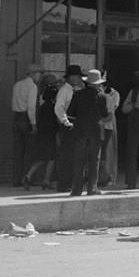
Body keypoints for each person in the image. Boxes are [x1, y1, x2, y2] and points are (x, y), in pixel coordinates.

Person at [66, 69, 109, 196]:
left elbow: (70, 113)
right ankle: (92, 188)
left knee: (79, 160)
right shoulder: (101, 96)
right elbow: (104, 114)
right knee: (94, 160)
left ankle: (76, 189)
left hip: (80, 131)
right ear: (97, 84)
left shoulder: (77, 94)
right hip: (95, 132)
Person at [23, 74, 60, 190]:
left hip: (41, 135)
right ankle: (46, 180)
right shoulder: (54, 108)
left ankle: (28, 175)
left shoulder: (43, 107)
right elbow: (56, 123)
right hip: (50, 135)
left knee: (41, 158)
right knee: (51, 158)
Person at [119, 66, 139, 189]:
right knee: (132, 150)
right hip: (135, 120)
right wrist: (134, 105)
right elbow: (124, 109)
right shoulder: (133, 92)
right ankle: (131, 182)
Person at [10, 63, 42, 187]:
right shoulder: (32, 87)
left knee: (18, 150)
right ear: (34, 74)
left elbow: (13, 102)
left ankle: (16, 179)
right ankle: (28, 177)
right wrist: (33, 124)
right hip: (26, 118)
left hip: (16, 117)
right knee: (30, 150)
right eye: (39, 73)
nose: (39, 76)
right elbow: (31, 108)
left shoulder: (17, 84)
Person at [54, 65, 85, 193]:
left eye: (79, 77)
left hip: (75, 124)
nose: (78, 79)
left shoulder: (76, 90)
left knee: (74, 156)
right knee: (67, 156)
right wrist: (66, 122)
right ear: (70, 77)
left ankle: (71, 183)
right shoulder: (64, 91)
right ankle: (64, 184)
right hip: (68, 124)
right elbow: (59, 108)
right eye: (76, 76)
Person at [99, 77, 120, 188]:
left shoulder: (113, 95)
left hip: (108, 124)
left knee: (108, 151)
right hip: (101, 125)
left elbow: (111, 112)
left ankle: (108, 176)